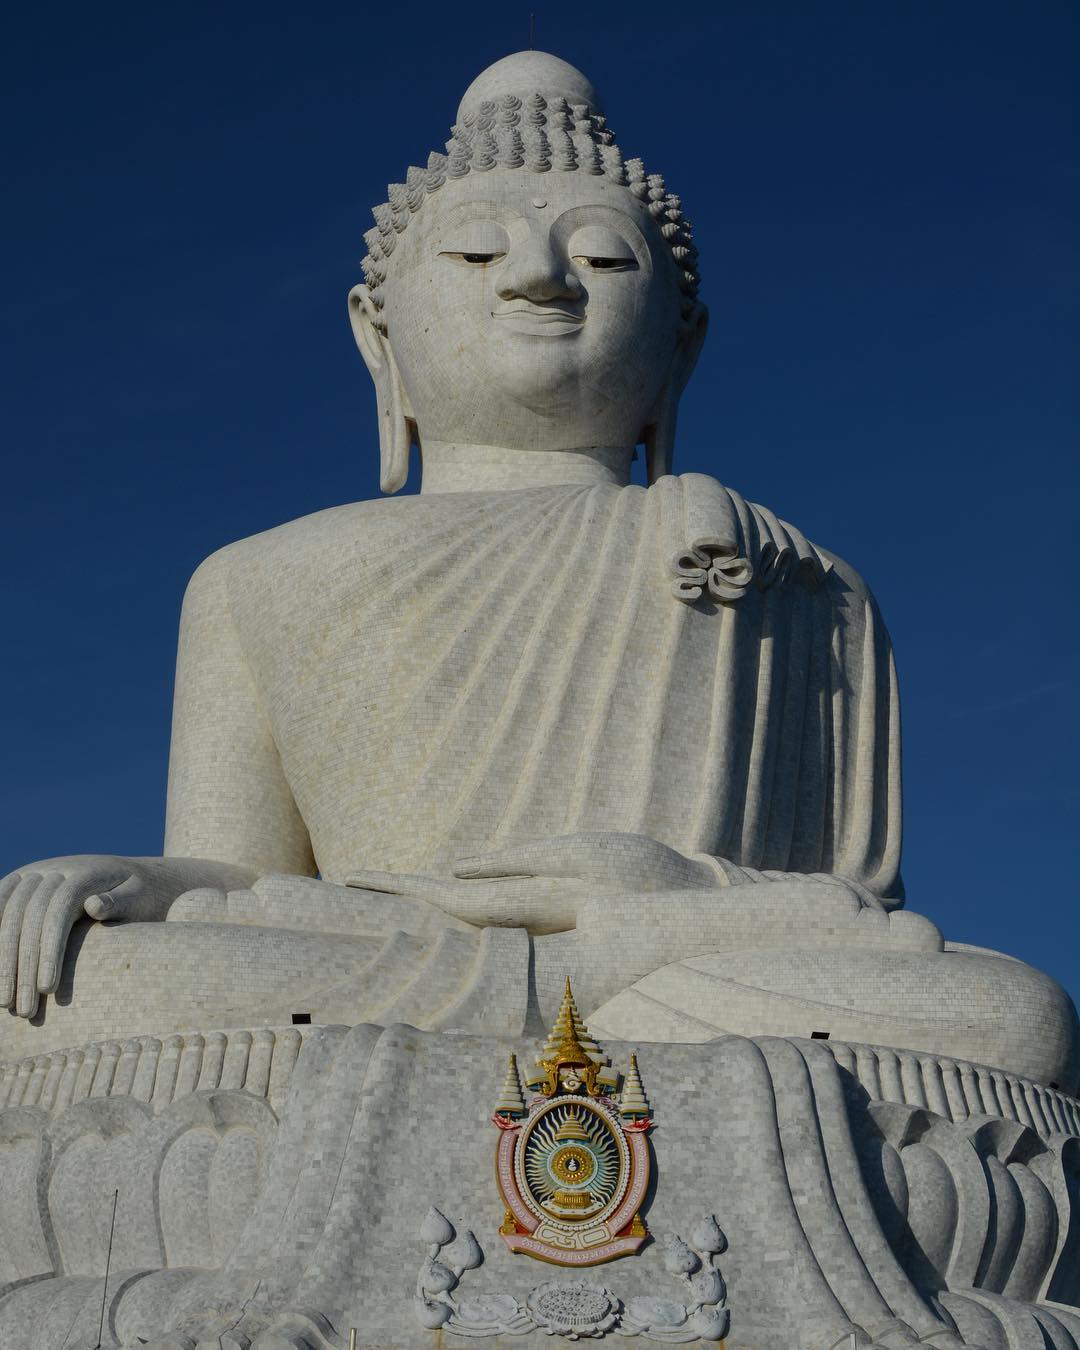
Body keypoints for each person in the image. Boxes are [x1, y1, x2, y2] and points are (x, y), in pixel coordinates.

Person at [0, 52, 1074, 1091]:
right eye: (474, 252)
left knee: (1009, 1015)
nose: (538, 277)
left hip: (674, 960)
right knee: (56, 990)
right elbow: (241, 876)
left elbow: (854, 910)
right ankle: (578, 1009)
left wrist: (667, 892)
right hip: (401, 962)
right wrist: (128, 880)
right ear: (380, 335)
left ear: (682, 346)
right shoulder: (255, 577)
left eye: (605, 259)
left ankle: (554, 1008)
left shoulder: (802, 582)